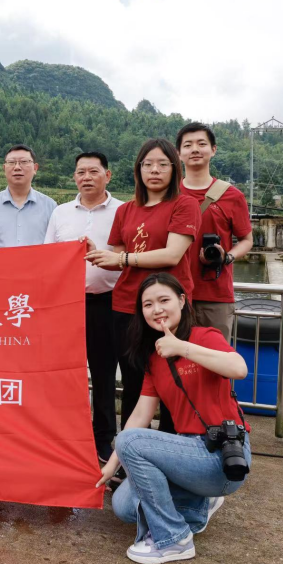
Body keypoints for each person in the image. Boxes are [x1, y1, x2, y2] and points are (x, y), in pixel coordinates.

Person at [97, 273, 251, 564]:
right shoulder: (155, 358)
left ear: (181, 301)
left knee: (130, 442)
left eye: (164, 300)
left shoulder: (204, 336)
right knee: (124, 506)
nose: (156, 310)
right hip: (186, 453)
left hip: (222, 455)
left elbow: (239, 368)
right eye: (148, 304)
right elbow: (140, 415)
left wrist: (182, 348)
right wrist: (113, 463)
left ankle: (173, 539)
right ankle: (198, 507)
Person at [84, 139, 200, 433]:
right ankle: (130, 448)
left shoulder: (184, 204)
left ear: (174, 169)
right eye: (147, 164)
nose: (154, 170)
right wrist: (96, 253)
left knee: (173, 379)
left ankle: (171, 445)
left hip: (168, 308)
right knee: (133, 382)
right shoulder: (125, 210)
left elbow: (172, 255)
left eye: (162, 164)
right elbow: (117, 259)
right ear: (138, 170)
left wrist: (121, 258)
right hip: (126, 306)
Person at [43, 152, 123, 462]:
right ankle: (65, 436)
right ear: (74, 177)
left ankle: (103, 440)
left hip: (107, 302)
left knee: (103, 374)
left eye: (93, 171)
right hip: (66, 305)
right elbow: (48, 257)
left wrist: (98, 253)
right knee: (64, 374)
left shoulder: (123, 211)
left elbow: (127, 257)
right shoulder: (60, 212)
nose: (86, 177)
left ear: (108, 175)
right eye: (81, 172)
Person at [177, 123, 253, 344]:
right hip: (173, 294)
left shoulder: (232, 196)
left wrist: (227, 256)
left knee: (216, 357)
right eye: (188, 145)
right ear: (179, 153)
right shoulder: (169, 194)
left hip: (216, 295)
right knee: (174, 359)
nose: (195, 149)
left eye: (201, 144)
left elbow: (246, 240)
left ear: (213, 150)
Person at [0, 145, 57, 247]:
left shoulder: (50, 206)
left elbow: (58, 246)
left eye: (24, 162)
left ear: (35, 168)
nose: (17, 167)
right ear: (4, 168)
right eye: (11, 162)